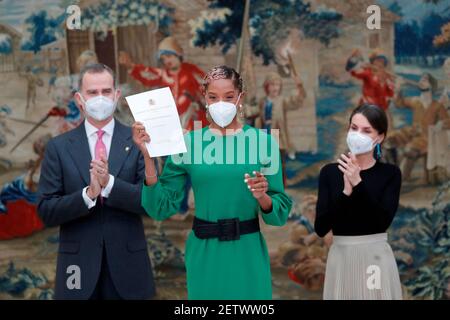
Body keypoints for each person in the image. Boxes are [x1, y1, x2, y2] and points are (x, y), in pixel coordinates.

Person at [133, 65, 292, 299]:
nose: (221, 103)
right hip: (205, 252)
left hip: (247, 252)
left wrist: (263, 197)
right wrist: (148, 158)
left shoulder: (264, 143)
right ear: (205, 99)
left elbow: (279, 214)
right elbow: (160, 208)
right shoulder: (188, 143)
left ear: (240, 98)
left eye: (228, 97)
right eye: (213, 97)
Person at [37, 63, 155, 300]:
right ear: (79, 99)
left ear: (117, 95)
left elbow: (152, 203)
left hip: (129, 269)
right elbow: (46, 211)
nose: (100, 98)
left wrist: (110, 184)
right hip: (77, 270)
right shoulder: (58, 148)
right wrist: (88, 194)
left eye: (106, 91)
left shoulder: (140, 142)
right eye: (92, 93)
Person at [315, 104, 402, 300]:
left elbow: (381, 222)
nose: (357, 135)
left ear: (379, 137)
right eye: (354, 128)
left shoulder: (390, 174)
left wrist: (358, 182)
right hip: (341, 256)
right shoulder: (329, 173)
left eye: (366, 130)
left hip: (374, 258)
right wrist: (346, 191)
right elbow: (321, 227)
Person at [255, 72, 306, 185]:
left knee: (278, 160)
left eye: (277, 85)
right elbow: (255, 112)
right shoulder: (263, 101)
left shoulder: (282, 101)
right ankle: (265, 183)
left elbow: (296, 101)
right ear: (267, 86)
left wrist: (300, 87)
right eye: (272, 84)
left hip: (276, 134)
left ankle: (280, 184)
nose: (275, 87)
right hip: (264, 133)